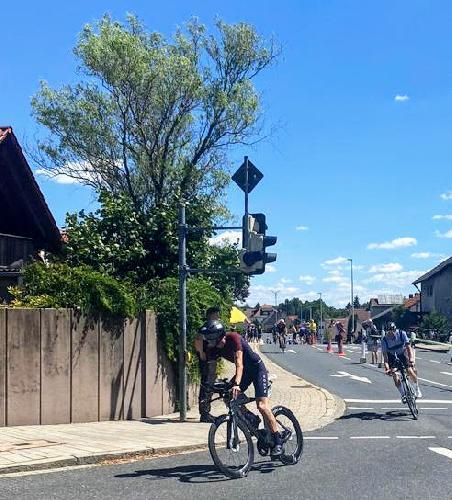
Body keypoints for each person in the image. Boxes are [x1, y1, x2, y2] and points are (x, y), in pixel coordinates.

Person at [202, 320, 284, 456]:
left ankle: (278, 440)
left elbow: (239, 364)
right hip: (244, 373)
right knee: (229, 397)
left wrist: (236, 384)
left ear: (220, 336)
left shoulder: (233, 338)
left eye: (214, 340)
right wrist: (209, 389)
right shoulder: (214, 347)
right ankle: (251, 417)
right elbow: (209, 366)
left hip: (257, 369)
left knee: (262, 406)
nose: (214, 344)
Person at [382, 322, 422, 401]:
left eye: (392, 331)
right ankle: (403, 394)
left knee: (409, 371)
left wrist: (411, 359)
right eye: (388, 332)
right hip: (392, 356)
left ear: (395, 330)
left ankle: (417, 388)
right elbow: (385, 358)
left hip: (402, 353)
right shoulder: (384, 340)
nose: (390, 334)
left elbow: (408, 347)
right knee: (394, 375)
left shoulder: (401, 333)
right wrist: (387, 369)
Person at [194, 306, 221, 423]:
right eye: (217, 314)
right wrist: (201, 353)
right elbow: (198, 340)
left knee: (208, 385)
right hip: (207, 360)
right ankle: (204, 413)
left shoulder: (209, 326)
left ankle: (205, 412)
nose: (218, 316)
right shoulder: (207, 327)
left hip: (210, 359)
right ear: (211, 314)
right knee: (206, 385)